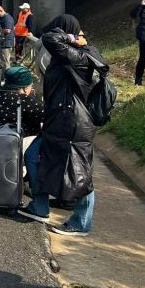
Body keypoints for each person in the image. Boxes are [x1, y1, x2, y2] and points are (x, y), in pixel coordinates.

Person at [18, 14, 107, 237]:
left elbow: (50, 38)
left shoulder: (80, 56)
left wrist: (71, 37)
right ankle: (40, 207)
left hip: (74, 122)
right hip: (60, 119)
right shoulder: (74, 53)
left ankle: (80, 222)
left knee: (81, 173)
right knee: (34, 156)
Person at [0, 66, 43, 136]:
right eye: (31, 86)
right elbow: (48, 116)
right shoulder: (24, 100)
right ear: (26, 88)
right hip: (14, 143)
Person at [0, 4, 15, 70]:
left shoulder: (7, 18)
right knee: (1, 62)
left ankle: (6, 77)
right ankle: (3, 76)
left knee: (5, 62)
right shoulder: (2, 18)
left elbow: (8, 30)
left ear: (1, 11)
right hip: (2, 43)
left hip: (6, 44)